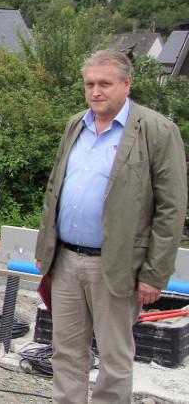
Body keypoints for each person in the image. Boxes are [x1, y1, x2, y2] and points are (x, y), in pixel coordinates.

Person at [34, 49, 187, 404]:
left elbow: (171, 208)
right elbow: (54, 189)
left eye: (105, 83)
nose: (96, 91)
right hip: (68, 262)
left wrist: (154, 273)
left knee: (115, 359)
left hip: (117, 266)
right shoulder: (77, 124)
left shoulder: (157, 131)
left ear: (127, 84)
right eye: (90, 84)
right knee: (66, 353)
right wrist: (46, 249)